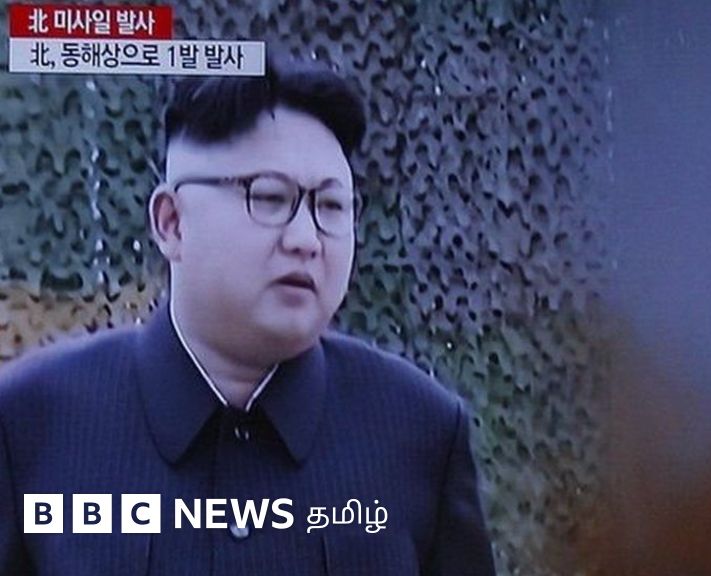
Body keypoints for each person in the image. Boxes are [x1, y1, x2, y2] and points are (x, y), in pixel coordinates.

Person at [0, 54, 495, 575]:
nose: (306, 239)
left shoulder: (420, 430)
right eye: (270, 197)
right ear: (171, 223)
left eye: (330, 207)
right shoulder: (30, 423)